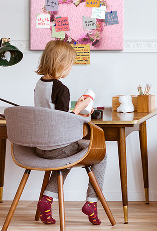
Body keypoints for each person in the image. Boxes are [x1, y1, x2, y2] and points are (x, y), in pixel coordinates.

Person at [34, 40, 107, 225]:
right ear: (61, 64)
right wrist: (80, 108)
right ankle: (92, 202)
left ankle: (47, 200)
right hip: (57, 147)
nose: (70, 68)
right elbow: (63, 121)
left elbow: (52, 114)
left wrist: (76, 110)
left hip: (40, 147)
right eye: (70, 64)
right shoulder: (61, 89)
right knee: (100, 154)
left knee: (65, 159)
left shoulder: (39, 85)